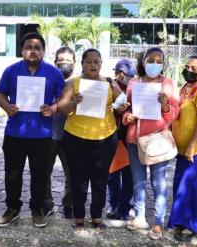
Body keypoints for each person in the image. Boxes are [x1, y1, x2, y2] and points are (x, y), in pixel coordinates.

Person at [0, 32, 65, 228]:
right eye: (28, 47)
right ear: (22, 50)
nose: (33, 51)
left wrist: (53, 108)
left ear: (43, 51)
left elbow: (63, 99)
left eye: (37, 48)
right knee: (12, 174)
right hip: (15, 132)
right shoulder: (11, 71)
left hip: (42, 134)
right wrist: (7, 107)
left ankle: (37, 209)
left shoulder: (54, 73)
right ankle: (12, 209)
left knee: (40, 174)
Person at [57, 48, 126, 229]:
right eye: (89, 62)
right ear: (82, 64)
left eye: (96, 62)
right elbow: (62, 109)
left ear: (101, 64)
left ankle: (96, 216)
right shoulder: (73, 82)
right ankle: (79, 216)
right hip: (75, 138)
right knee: (78, 179)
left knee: (100, 179)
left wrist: (121, 107)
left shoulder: (110, 83)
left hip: (105, 139)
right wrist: (74, 103)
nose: (92, 65)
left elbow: (123, 105)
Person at [123, 47, 179, 240]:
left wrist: (165, 105)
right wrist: (127, 116)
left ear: (163, 64)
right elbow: (126, 107)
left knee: (158, 182)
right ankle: (139, 216)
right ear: (143, 60)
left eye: (159, 61)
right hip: (134, 139)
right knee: (138, 181)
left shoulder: (168, 84)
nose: (154, 64)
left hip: (157, 140)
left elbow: (175, 112)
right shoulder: (133, 83)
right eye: (151, 60)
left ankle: (158, 222)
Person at [167, 55, 197, 242]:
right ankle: (180, 220)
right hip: (182, 149)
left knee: (196, 187)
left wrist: (192, 145)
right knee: (181, 186)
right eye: (187, 66)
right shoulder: (185, 88)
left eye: (194, 68)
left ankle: (193, 225)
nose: (189, 70)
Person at [43, 47, 76, 219]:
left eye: (68, 61)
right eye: (60, 60)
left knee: (71, 172)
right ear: (55, 62)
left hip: (71, 135)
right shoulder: (47, 81)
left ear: (75, 63)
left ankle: (68, 205)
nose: (64, 64)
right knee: (44, 171)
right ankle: (47, 203)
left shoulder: (79, 83)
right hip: (48, 134)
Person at [106, 59, 136, 223]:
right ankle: (113, 204)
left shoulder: (135, 88)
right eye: (123, 75)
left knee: (129, 175)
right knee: (112, 174)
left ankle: (124, 207)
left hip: (129, 138)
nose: (125, 78)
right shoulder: (108, 87)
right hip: (112, 137)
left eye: (129, 75)